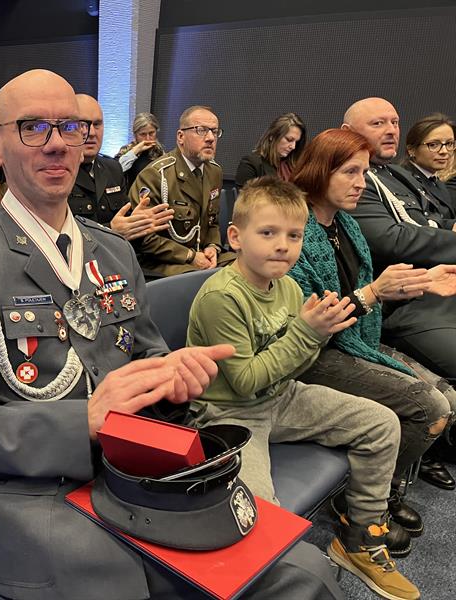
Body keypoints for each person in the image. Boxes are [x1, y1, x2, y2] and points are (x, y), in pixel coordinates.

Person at [0, 68, 345, 600]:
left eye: (69, 127)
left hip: (141, 466)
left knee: (301, 570)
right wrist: (84, 421)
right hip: (31, 490)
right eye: (33, 127)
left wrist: (174, 381)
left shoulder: (112, 250)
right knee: (126, 586)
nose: (56, 143)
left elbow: (148, 355)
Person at [187, 177, 419, 600]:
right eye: (268, 233)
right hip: (229, 413)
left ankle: (361, 540)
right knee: (259, 512)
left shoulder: (290, 287)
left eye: (293, 236)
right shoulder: (221, 297)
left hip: (281, 395)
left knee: (382, 424)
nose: (283, 246)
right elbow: (245, 382)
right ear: (235, 238)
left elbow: (299, 363)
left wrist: (317, 333)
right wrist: (308, 333)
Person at [288, 129, 456, 526]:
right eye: (350, 172)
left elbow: (363, 298)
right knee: (430, 407)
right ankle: (361, 500)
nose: (361, 183)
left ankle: (383, 486)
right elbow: (312, 324)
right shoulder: (292, 230)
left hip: (352, 341)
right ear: (320, 171)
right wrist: (375, 293)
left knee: (448, 398)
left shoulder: (345, 225)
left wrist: (420, 282)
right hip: (312, 355)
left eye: (364, 172)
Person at [343, 98, 456, 385]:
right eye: (378, 123)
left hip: (439, 284)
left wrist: (451, 226)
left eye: (394, 122)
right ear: (347, 132)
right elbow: (390, 240)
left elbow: (427, 220)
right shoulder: (355, 180)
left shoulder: (396, 174)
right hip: (405, 302)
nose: (391, 130)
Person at [129, 105, 233, 277]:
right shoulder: (156, 175)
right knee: (199, 279)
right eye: (201, 130)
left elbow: (212, 222)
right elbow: (144, 238)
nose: (210, 138)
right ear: (180, 137)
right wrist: (190, 256)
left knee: (246, 267)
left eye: (214, 132)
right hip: (164, 261)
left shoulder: (214, 171)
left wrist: (212, 247)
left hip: (201, 255)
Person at [69, 95, 172, 240]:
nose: (91, 133)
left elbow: (126, 221)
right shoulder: (57, 172)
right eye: (82, 124)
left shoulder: (112, 169)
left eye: (97, 124)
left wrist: (137, 222)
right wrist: (111, 230)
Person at [401, 113, 456, 216]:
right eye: (433, 145)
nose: (444, 151)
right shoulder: (403, 182)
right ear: (411, 149)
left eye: (449, 144)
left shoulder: (435, 180)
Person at [235, 113, 306, 188]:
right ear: (272, 136)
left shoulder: (294, 166)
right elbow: (245, 195)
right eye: (289, 140)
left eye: (296, 142)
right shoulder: (251, 163)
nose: (293, 147)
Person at [115, 112, 166, 188]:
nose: (148, 138)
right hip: (132, 193)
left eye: (151, 133)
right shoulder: (125, 151)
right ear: (135, 135)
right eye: (143, 134)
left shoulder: (160, 152)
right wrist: (136, 150)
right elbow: (115, 171)